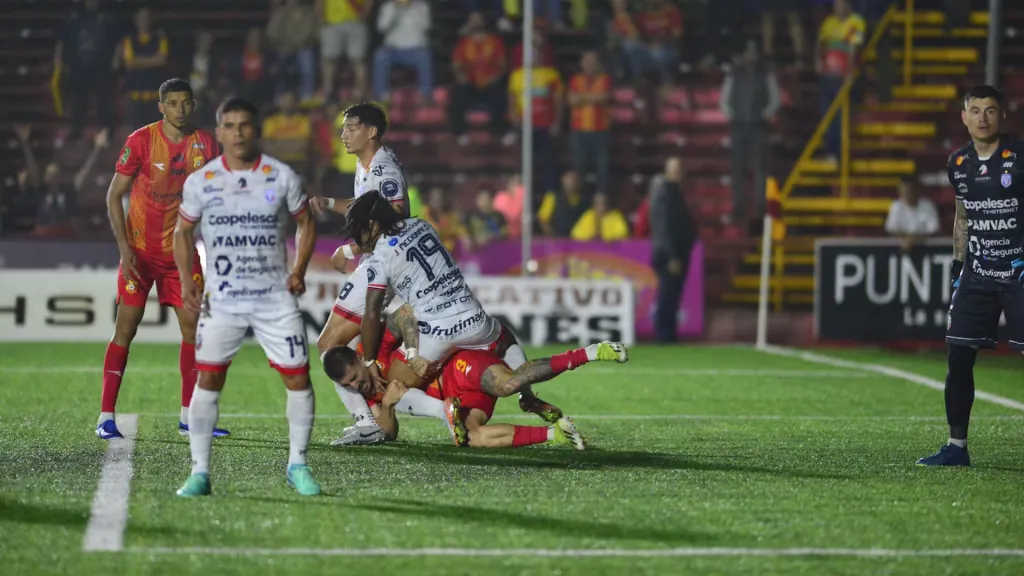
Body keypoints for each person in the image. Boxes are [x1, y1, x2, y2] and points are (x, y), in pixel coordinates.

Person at [172, 96, 320, 497]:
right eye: (230, 126)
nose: (238, 133)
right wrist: (187, 281)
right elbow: (182, 232)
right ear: (219, 132)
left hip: (274, 298)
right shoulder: (202, 181)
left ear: (257, 131)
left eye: (245, 125)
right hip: (222, 299)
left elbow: (306, 222)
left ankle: (298, 465)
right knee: (208, 379)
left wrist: (298, 270)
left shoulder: (281, 176)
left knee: (298, 378)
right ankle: (199, 472)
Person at [345, 191, 561, 428]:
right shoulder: (422, 225)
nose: (360, 240)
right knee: (503, 338)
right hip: (473, 319)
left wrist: (369, 361)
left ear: (374, 226)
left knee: (395, 388)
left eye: (360, 231)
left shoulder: (379, 259)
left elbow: (372, 314)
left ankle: (443, 411)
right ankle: (526, 395)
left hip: (436, 332)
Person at [96, 78, 221, 441]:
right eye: (173, 103)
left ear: (193, 105)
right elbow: (114, 195)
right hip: (139, 253)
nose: (180, 109)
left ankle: (189, 418)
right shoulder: (141, 140)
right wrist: (124, 249)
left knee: (193, 331)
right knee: (126, 329)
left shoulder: (206, 144)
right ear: (161, 107)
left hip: (181, 255)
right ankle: (105, 416)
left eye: (186, 102)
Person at [918, 85, 1024, 467]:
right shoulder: (958, 163)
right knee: (959, 356)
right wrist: (958, 265)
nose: (983, 118)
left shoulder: (1019, 157)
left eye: (990, 110)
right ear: (964, 117)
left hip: (1019, 271)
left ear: (1002, 116)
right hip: (977, 273)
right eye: (975, 111)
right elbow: (962, 217)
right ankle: (956, 447)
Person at [307, 102, 410, 446]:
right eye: (343, 128)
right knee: (348, 344)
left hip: (383, 264)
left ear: (372, 132)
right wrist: (329, 203)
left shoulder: (383, 169)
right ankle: (377, 419)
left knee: (328, 345)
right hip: (378, 262)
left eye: (351, 127)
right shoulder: (366, 164)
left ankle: (367, 423)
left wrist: (351, 249)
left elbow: (396, 216)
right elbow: (366, 207)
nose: (343, 134)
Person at [322, 339, 629, 449]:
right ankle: (556, 434)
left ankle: (589, 352)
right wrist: (388, 406)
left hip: (460, 366)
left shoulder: (376, 347)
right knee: (472, 438)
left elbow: (404, 317)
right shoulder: (368, 395)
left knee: (509, 384)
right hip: (458, 400)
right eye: (349, 385)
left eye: (355, 377)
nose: (356, 386)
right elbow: (388, 433)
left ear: (360, 358)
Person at [649, 158, 696, 343]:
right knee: (668, 293)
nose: (679, 173)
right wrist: (673, 256)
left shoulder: (671, 192)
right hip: (669, 253)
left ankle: (669, 332)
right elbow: (666, 227)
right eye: (676, 170)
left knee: (672, 293)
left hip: (673, 252)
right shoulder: (666, 193)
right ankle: (664, 334)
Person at [884, 176, 939, 251]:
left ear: (916, 190)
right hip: (899, 249)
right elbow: (891, 229)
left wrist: (914, 239)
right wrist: (907, 239)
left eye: (909, 191)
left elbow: (934, 230)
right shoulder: (896, 206)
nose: (906, 194)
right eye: (904, 191)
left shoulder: (928, 206)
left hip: (926, 248)